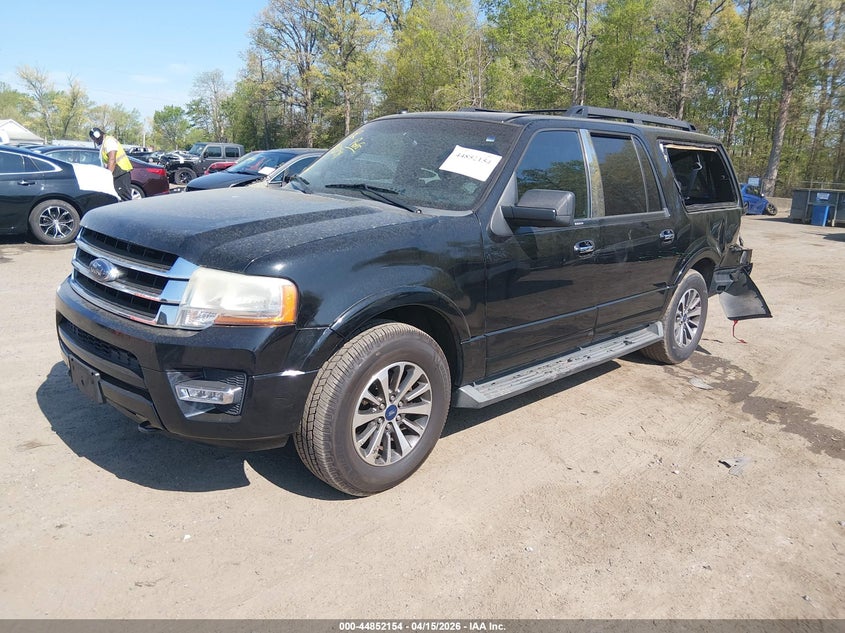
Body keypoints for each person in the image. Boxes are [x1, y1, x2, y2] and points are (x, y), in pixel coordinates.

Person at [89, 127, 133, 201]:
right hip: (117, 173)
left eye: (97, 138)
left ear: (102, 134)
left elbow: (112, 159)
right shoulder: (104, 144)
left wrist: (107, 176)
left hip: (121, 172)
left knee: (125, 198)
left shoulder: (109, 141)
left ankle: (129, 212)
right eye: (95, 139)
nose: (97, 140)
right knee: (117, 198)